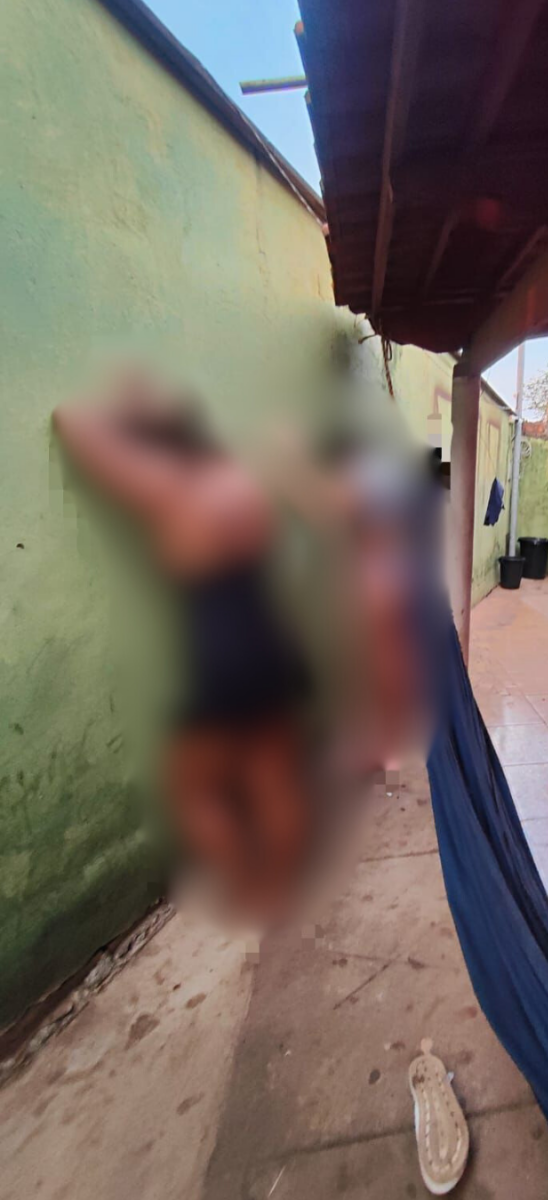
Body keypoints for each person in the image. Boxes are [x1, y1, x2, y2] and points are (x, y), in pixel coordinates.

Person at [53, 372, 312, 917]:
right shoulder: (240, 480)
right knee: (270, 771)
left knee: (190, 790)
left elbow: (71, 424)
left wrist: (121, 417)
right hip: (272, 640)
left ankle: (248, 887)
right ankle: (280, 885)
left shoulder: (167, 486)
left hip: (221, 651)